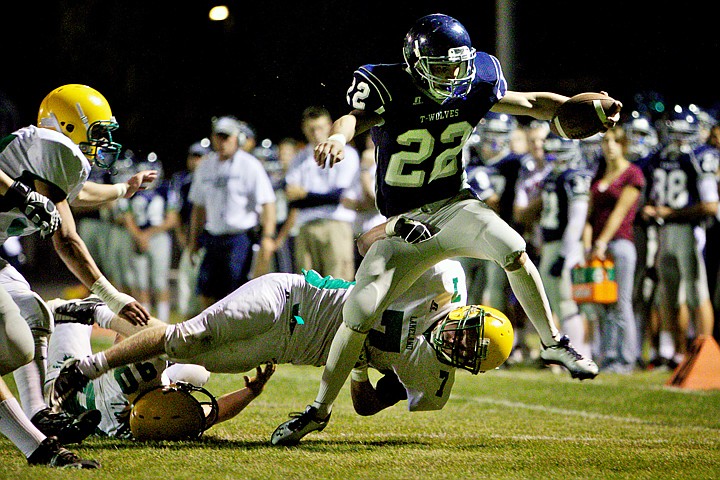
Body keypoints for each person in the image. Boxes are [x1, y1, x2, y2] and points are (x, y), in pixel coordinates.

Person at [268, 13, 620, 445]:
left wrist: (580, 108)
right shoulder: (387, 84)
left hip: (455, 204)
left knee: (511, 246)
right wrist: (340, 138)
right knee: (357, 313)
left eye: (458, 66)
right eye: (442, 67)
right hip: (405, 223)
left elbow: (531, 104)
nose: (453, 76)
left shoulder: (477, 78)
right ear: (416, 63)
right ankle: (318, 410)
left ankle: (552, 342)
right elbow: (352, 119)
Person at [48, 259, 513, 444]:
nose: (456, 341)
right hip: (293, 296)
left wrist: (356, 363)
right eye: (466, 332)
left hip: (286, 346)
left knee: (195, 359)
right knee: (189, 335)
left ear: (468, 367)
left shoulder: (431, 382)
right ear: (466, 311)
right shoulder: (442, 280)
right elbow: (371, 242)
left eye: (467, 351)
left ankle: (94, 327)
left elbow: (366, 406)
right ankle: (86, 368)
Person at [0, 83, 158, 468]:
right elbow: (66, 239)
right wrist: (110, 295)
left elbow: (73, 194)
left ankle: (39, 416)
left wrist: (122, 189)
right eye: (98, 132)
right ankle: (37, 441)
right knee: (15, 338)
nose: (103, 142)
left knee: (32, 316)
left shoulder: (48, 155)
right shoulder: (53, 148)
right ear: (69, 126)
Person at [43, 297, 274, 439]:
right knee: (194, 371)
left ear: (161, 394)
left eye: (175, 393)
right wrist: (251, 392)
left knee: (58, 315)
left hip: (63, 376)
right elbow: (215, 412)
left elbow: (131, 336)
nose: (180, 391)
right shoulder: (151, 423)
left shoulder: (135, 377)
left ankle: (95, 310)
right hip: (108, 395)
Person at [642, 105, 719, 368]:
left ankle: (705, 354)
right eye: (674, 133)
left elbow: (710, 205)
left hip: (690, 231)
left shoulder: (700, 157)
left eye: (683, 134)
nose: (678, 139)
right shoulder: (659, 157)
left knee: (697, 293)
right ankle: (677, 354)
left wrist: (670, 212)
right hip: (664, 232)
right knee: (669, 296)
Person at [187, 115, 277, 309]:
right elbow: (198, 207)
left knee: (236, 293)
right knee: (206, 292)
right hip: (213, 237)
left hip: (240, 239)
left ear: (238, 138)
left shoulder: (250, 165)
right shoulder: (205, 166)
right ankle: (212, 337)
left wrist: (268, 237)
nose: (222, 141)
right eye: (219, 136)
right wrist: (193, 239)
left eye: (227, 137)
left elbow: (268, 202)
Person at [583, 126, 645, 373]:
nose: (609, 145)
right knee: (603, 303)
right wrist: (588, 245)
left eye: (614, 141)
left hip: (619, 243)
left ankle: (626, 358)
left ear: (623, 145)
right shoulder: (599, 173)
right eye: (605, 141)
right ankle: (608, 357)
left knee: (621, 303)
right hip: (598, 247)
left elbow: (620, 212)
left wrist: (601, 242)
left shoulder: (632, 174)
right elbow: (589, 215)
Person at [282, 106, 359, 280]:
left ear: (330, 126)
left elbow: (338, 196)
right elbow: (291, 197)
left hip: (335, 224)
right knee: (307, 287)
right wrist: (314, 197)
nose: (316, 133)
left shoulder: (347, 153)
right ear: (304, 130)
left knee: (339, 283)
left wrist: (304, 195)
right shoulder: (299, 158)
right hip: (306, 225)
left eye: (321, 127)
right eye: (311, 129)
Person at [537, 134, 594, 360]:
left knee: (567, 303)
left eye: (560, 153)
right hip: (552, 245)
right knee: (556, 304)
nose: (556, 158)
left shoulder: (575, 177)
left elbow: (577, 220)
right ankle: (570, 353)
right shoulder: (552, 176)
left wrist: (564, 255)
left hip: (565, 246)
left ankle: (580, 353)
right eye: (553, 153)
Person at [119, 156, 179, 323]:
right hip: (138, 238)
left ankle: (163, 324)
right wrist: (139, 236)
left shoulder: (166, 189)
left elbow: (172, 218)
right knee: (141, 284)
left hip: (158, 238)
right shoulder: (132, 189)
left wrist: (147, 234)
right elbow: (127, 216)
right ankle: (144, 324)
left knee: (160, 282)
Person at [171, 140, 211, 317]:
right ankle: (188, 327)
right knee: (186, 285)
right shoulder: (183, 182)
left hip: (211, 241)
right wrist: (182, 237)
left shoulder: (213, 180)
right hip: (192, 241)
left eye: (200, 156)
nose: (196, 161)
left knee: (207, 289)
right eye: (194, 156)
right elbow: (179, 213)